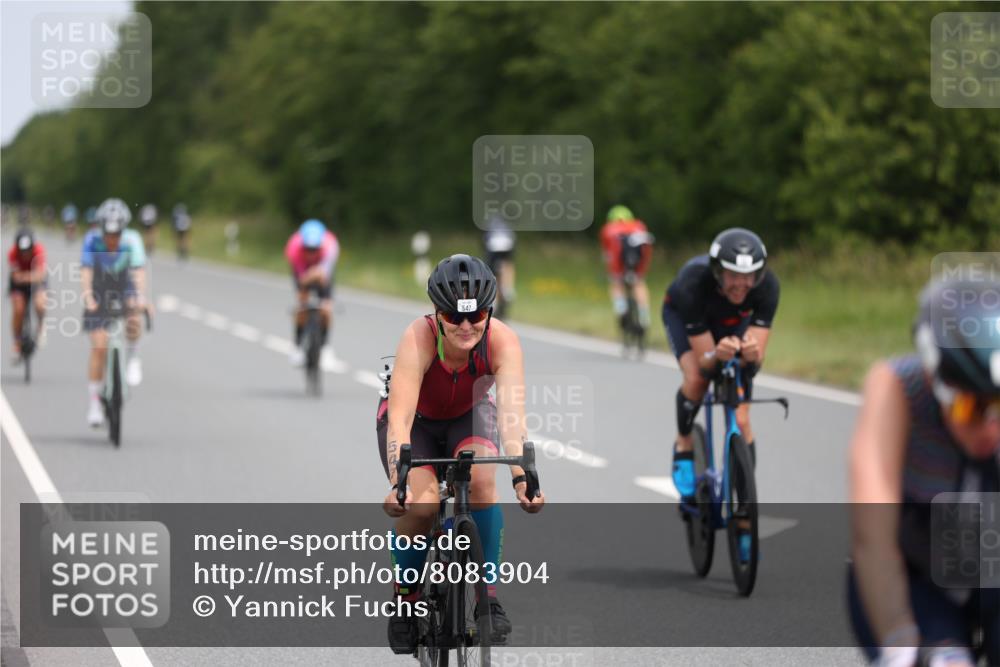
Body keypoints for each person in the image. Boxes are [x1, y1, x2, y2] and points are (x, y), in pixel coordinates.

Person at [378, 254, 545, 654]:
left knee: (485, 484)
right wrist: (398, 483)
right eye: (454, 317)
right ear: (437, 314)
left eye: (478, 315)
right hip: (415, 421)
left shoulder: (502, 340)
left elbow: (511, 417)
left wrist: (523, 479)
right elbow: (399, 419)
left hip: (468, 415)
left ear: (490, 310)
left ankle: (487, 596)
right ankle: (405, 599)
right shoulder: (417, 337)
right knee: (422, 504)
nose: (467, 326)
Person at [848, 277, 1000, 667]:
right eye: (972, 408)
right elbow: (874, 535)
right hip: (918, 576)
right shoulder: (898, 388)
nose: (991, 428)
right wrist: (900, 640)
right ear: (935, 381)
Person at [662, 227, 778, 560]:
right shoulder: (692, 285)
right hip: (686, 317)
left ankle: (743, 504)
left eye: (749, 276)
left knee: (741, 415)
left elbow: (754, 362)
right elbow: (706, 362)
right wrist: (717, 356)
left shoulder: (768, 287)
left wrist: (751, 356)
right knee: (698, 378)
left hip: (731, 325)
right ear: (717, 271)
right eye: (732, 275)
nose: (741, 283)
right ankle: (684, 442)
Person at [81, 198, 150, 427]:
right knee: (99, 345)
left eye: (117, 234)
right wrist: (88, 296)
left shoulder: (133, 240)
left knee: (134, 318)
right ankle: (94, 403)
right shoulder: (91, 240)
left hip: (123, 286)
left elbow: (138, 271)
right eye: (108, 234)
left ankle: (133, 357)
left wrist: (141, 298)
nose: (112, 239)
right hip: (100, 290)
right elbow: (87, 271)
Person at [284, 219, 339, 370]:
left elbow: (324, 274)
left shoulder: (331, 246)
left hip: (323, 269)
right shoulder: (293, 248)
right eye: (308, 249)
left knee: (327, 307)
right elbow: (302, 278)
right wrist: (307, 281)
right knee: (302, 303)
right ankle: (297, 347)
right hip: (302, 268)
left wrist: (318, 274)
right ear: (302, 245)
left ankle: (325, 348)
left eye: (314, 249)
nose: (311, 252)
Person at [600, 205, 654, 334]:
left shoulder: (608, 229)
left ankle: (621, 309)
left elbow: (607, 254)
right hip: (639, 256)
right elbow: (647, 249)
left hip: (618, 257)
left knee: (616, 283)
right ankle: (644, 315)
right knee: (639, 283)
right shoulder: (639, 225)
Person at [7, 229, 48, 361]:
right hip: (19, 284)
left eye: (27, 251)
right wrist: (28, 277)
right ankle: (17, 343)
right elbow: (15, 276)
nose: (25, 254)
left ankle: (41, 327)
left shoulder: (39, 251)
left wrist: (25, 277)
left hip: (35, 281)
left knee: (40, 303)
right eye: (22, 251)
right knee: (18, 309)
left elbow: (40, 275)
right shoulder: (12, 253)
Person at [482, 214, 517, 319]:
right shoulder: (507, 229)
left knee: (493, 274)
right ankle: (508, 289)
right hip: (507, 247)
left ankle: (496, 299)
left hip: (492, 249)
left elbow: (484, 247)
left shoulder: (488, 230)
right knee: (508, 264)